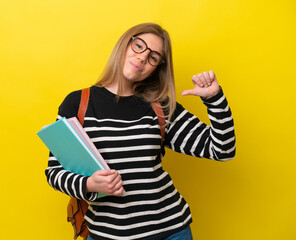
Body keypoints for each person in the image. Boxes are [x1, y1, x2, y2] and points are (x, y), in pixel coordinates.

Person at [45, 23, 235, 240]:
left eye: (154, 57)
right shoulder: (78, 104)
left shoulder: (160, 107)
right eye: (139, 46)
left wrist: (214, 99)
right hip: (106, 235)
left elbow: (222, 149)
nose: (143, 57)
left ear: (157, 67)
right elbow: (54, 172)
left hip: (170, 232)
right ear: (125, 45)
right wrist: (89, 184)